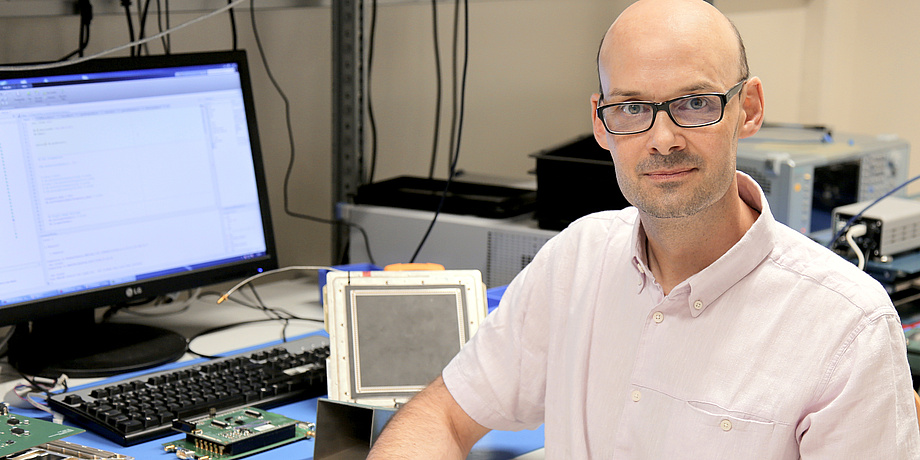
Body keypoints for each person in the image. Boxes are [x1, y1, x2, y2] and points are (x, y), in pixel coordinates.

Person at [367, 0, 920, 457]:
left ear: (748, 109)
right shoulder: (576, 260)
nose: (662, 139)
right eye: (631, 108)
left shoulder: (849, 328)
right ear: (600, 124)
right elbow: (444, 413)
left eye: (695, 102)